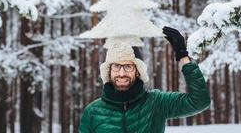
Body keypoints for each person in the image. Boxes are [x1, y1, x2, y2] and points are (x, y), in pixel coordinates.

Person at [79, 26, 211, 133]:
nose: (121, 73)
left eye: (128, 66)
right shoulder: (92, 112)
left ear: (137, 71)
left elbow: (199, 102)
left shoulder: (156, 103)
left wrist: (183, 56)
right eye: (116, 66)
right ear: (109, 70)